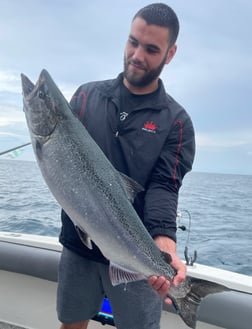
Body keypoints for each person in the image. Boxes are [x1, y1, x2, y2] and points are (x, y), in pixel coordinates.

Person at [57, 3, 195, 329]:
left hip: (135, 256)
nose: (137, 55)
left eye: (151, 49)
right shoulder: (86, 97)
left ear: (170, 53)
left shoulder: (176, 122)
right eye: (133, 42)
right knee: (71, 323)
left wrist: (163, 245)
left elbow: (164, 185)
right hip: (79, 245)